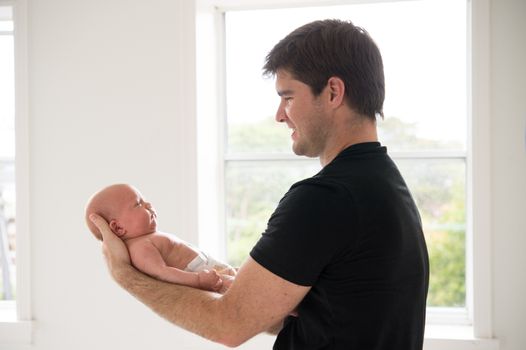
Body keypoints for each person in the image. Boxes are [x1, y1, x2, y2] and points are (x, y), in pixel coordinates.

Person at [90, 19, 429, 349]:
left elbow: (228, 325)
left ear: (333, 92)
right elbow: (311, 315)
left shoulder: (324, 199)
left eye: (289, 97)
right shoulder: (385, 184)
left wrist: (128, 277)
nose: (280, 115)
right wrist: (230, 284)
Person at [85, 184, 235, 293]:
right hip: (204, 277)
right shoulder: (139, 247)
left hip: (211, 269)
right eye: (138, 203)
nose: (148, 204)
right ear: (118, 228)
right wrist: (198, 280)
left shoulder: (148, 238)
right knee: (243, 290)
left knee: (248, 279)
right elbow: (162, 273)